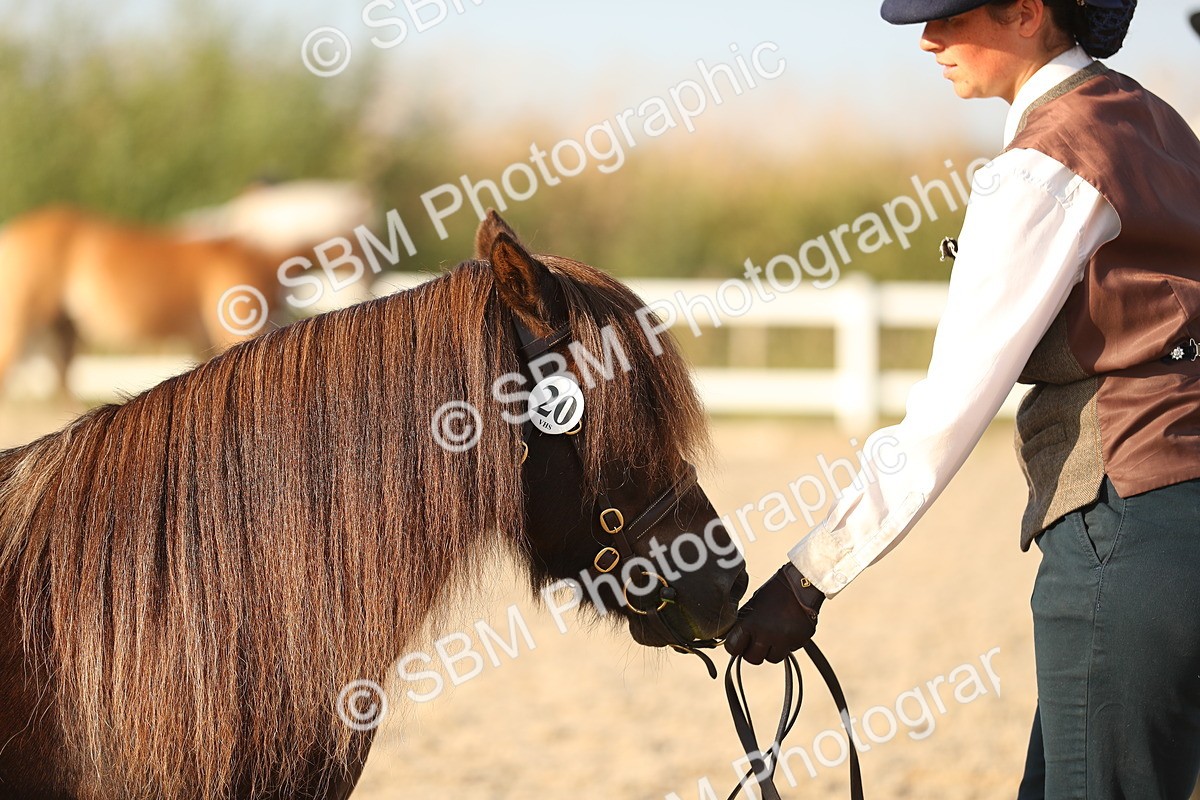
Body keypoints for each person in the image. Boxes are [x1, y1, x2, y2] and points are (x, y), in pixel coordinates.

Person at [724, 1, 1200, 796]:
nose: (927, 38)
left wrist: (809, 577)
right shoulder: (1154, 121)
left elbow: (944, 418)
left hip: (1121, 530)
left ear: (1026, 11)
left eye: (951, 14)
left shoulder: (1041, 166)